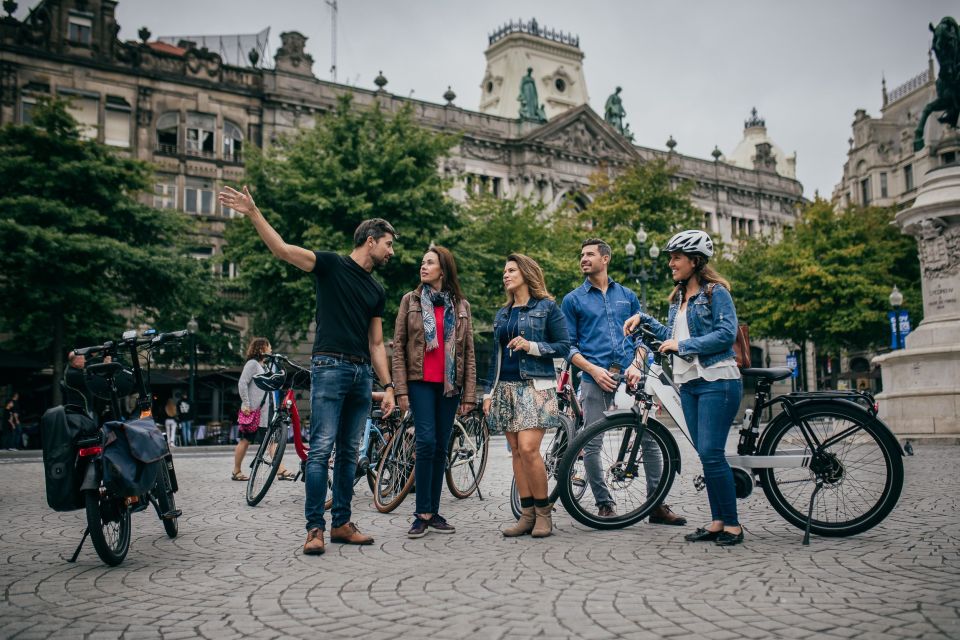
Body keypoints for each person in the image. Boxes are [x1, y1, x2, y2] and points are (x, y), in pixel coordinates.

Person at [218, 185, 396, 556]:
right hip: (329, 367)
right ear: (370, 240)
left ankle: (342, 524)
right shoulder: (330, 264)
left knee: (349, 454)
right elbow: (282, 250)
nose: (391, 252)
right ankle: (314, 529)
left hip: (362, 373)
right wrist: (253, 212)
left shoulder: (377, 290)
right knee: (320, 451)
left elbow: (377, 343)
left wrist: (389, 385)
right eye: (388, 244)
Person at [624, 229, 744, 546]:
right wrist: (642, 319)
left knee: (711, 452)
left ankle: (732, 525)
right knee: (706, 455)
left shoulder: (715, 293)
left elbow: (725, 333)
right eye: (670, 258)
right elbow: (670, 336)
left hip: (718, 379)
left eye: (676, 258)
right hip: (689, 383)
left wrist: (684, 344)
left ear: (695, 260)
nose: (671, 264)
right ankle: (718, 521)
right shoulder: (678, 299)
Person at [561, 238, 686, 525]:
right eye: (581, 254)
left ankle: (656, 504)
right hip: (597, 378)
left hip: (630, 376)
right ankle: (604, 504)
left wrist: (636, 364)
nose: (583, 258)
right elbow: (568, 347)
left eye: (590, 254)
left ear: (605, 259)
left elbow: (643, 339)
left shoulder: (627, 296)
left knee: (650, 439)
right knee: (592, 442)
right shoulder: (573, 300)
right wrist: (593, 371)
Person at [392, 245, 477, 538]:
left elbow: (469, 353)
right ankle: (421, 513)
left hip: (449, 385)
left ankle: (434, 511)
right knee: (426, 441)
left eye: (430, 262)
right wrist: (400, 389)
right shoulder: (411, 300)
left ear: (444, 269)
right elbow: (399, 347)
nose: (423, 267)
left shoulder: (461, 305)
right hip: (420, 382)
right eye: (422, 262)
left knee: (442, 446)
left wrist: (469, 395)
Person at [483, 253, 570, 538]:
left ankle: (544, 513)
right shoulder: (502, 314)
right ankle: (527, 513)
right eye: (504, 271)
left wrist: (532, 345)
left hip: (536, 385)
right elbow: (495, 358)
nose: (505, 275)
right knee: (517, 452)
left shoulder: (547, 307)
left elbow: (564, 346)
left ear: (526, 273)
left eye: (511, 270)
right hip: (505, 387)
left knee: (530, 449)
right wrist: (489, 391)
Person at [234, 337, 289, 480]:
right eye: (269, 346)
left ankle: (280, 470)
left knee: (270, 440)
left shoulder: (263, 366)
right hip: (253, 411)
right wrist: (246, 403)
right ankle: (236, 471)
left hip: (264, 413)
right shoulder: (252, 364)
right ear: (261, 348)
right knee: (246, 440)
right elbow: (242, 383)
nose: (271, 349)